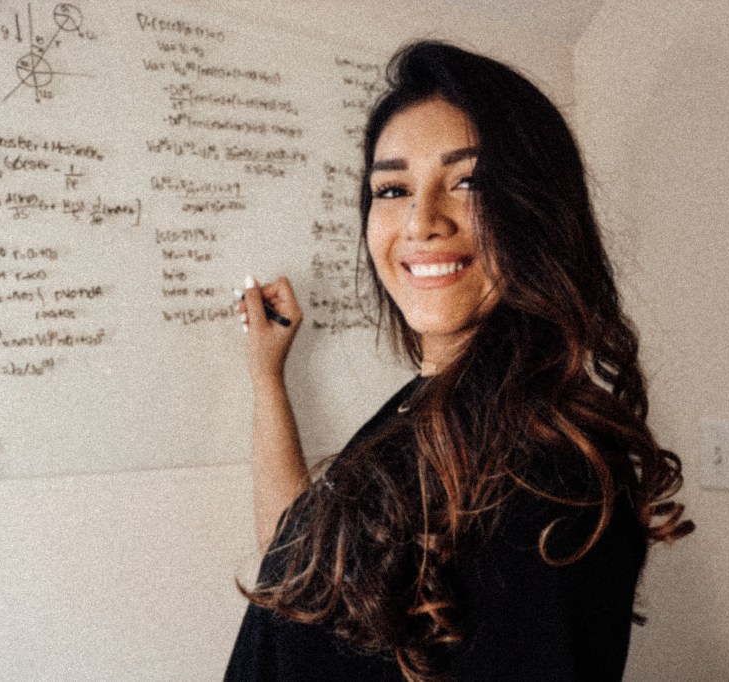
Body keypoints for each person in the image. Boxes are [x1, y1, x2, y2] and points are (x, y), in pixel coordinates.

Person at [224, 40, 693, 682]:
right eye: (393, 189)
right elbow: (298, 558)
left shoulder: (549, 471)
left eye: (468, 182)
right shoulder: (428, 404)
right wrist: (267, 377)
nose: (421, 221)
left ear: (537, 211)